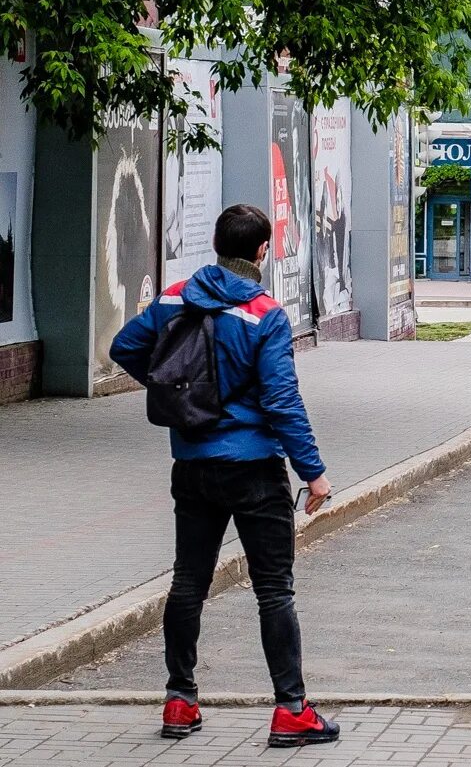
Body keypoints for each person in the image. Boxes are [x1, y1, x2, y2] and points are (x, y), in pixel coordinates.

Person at [109, 204, 339, 749]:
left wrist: (177, 388)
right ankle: (290, 712)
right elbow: (282, 401)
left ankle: (180, 700)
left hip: (191, 465)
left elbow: (124, 347)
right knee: (273, 590)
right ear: (262, 251)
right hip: (254, 470)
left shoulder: (172, 297)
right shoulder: (265, 315)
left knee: (188, 581)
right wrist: (315, 473)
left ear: (216, 245)